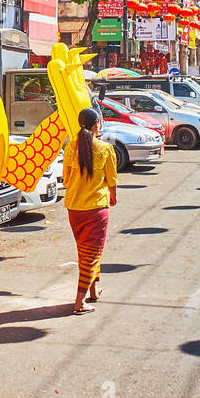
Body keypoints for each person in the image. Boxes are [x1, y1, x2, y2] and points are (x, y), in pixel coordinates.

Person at [61, 108, 117, 314]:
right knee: (91, 255)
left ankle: (93, 291)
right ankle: (79, 302)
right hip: (96, 209)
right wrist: (114, 197)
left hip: (74, 208)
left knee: (87, 252)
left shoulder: (70, 149)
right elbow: (111, 181)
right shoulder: (104, 149)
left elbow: (66, 180)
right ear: (96, 125)